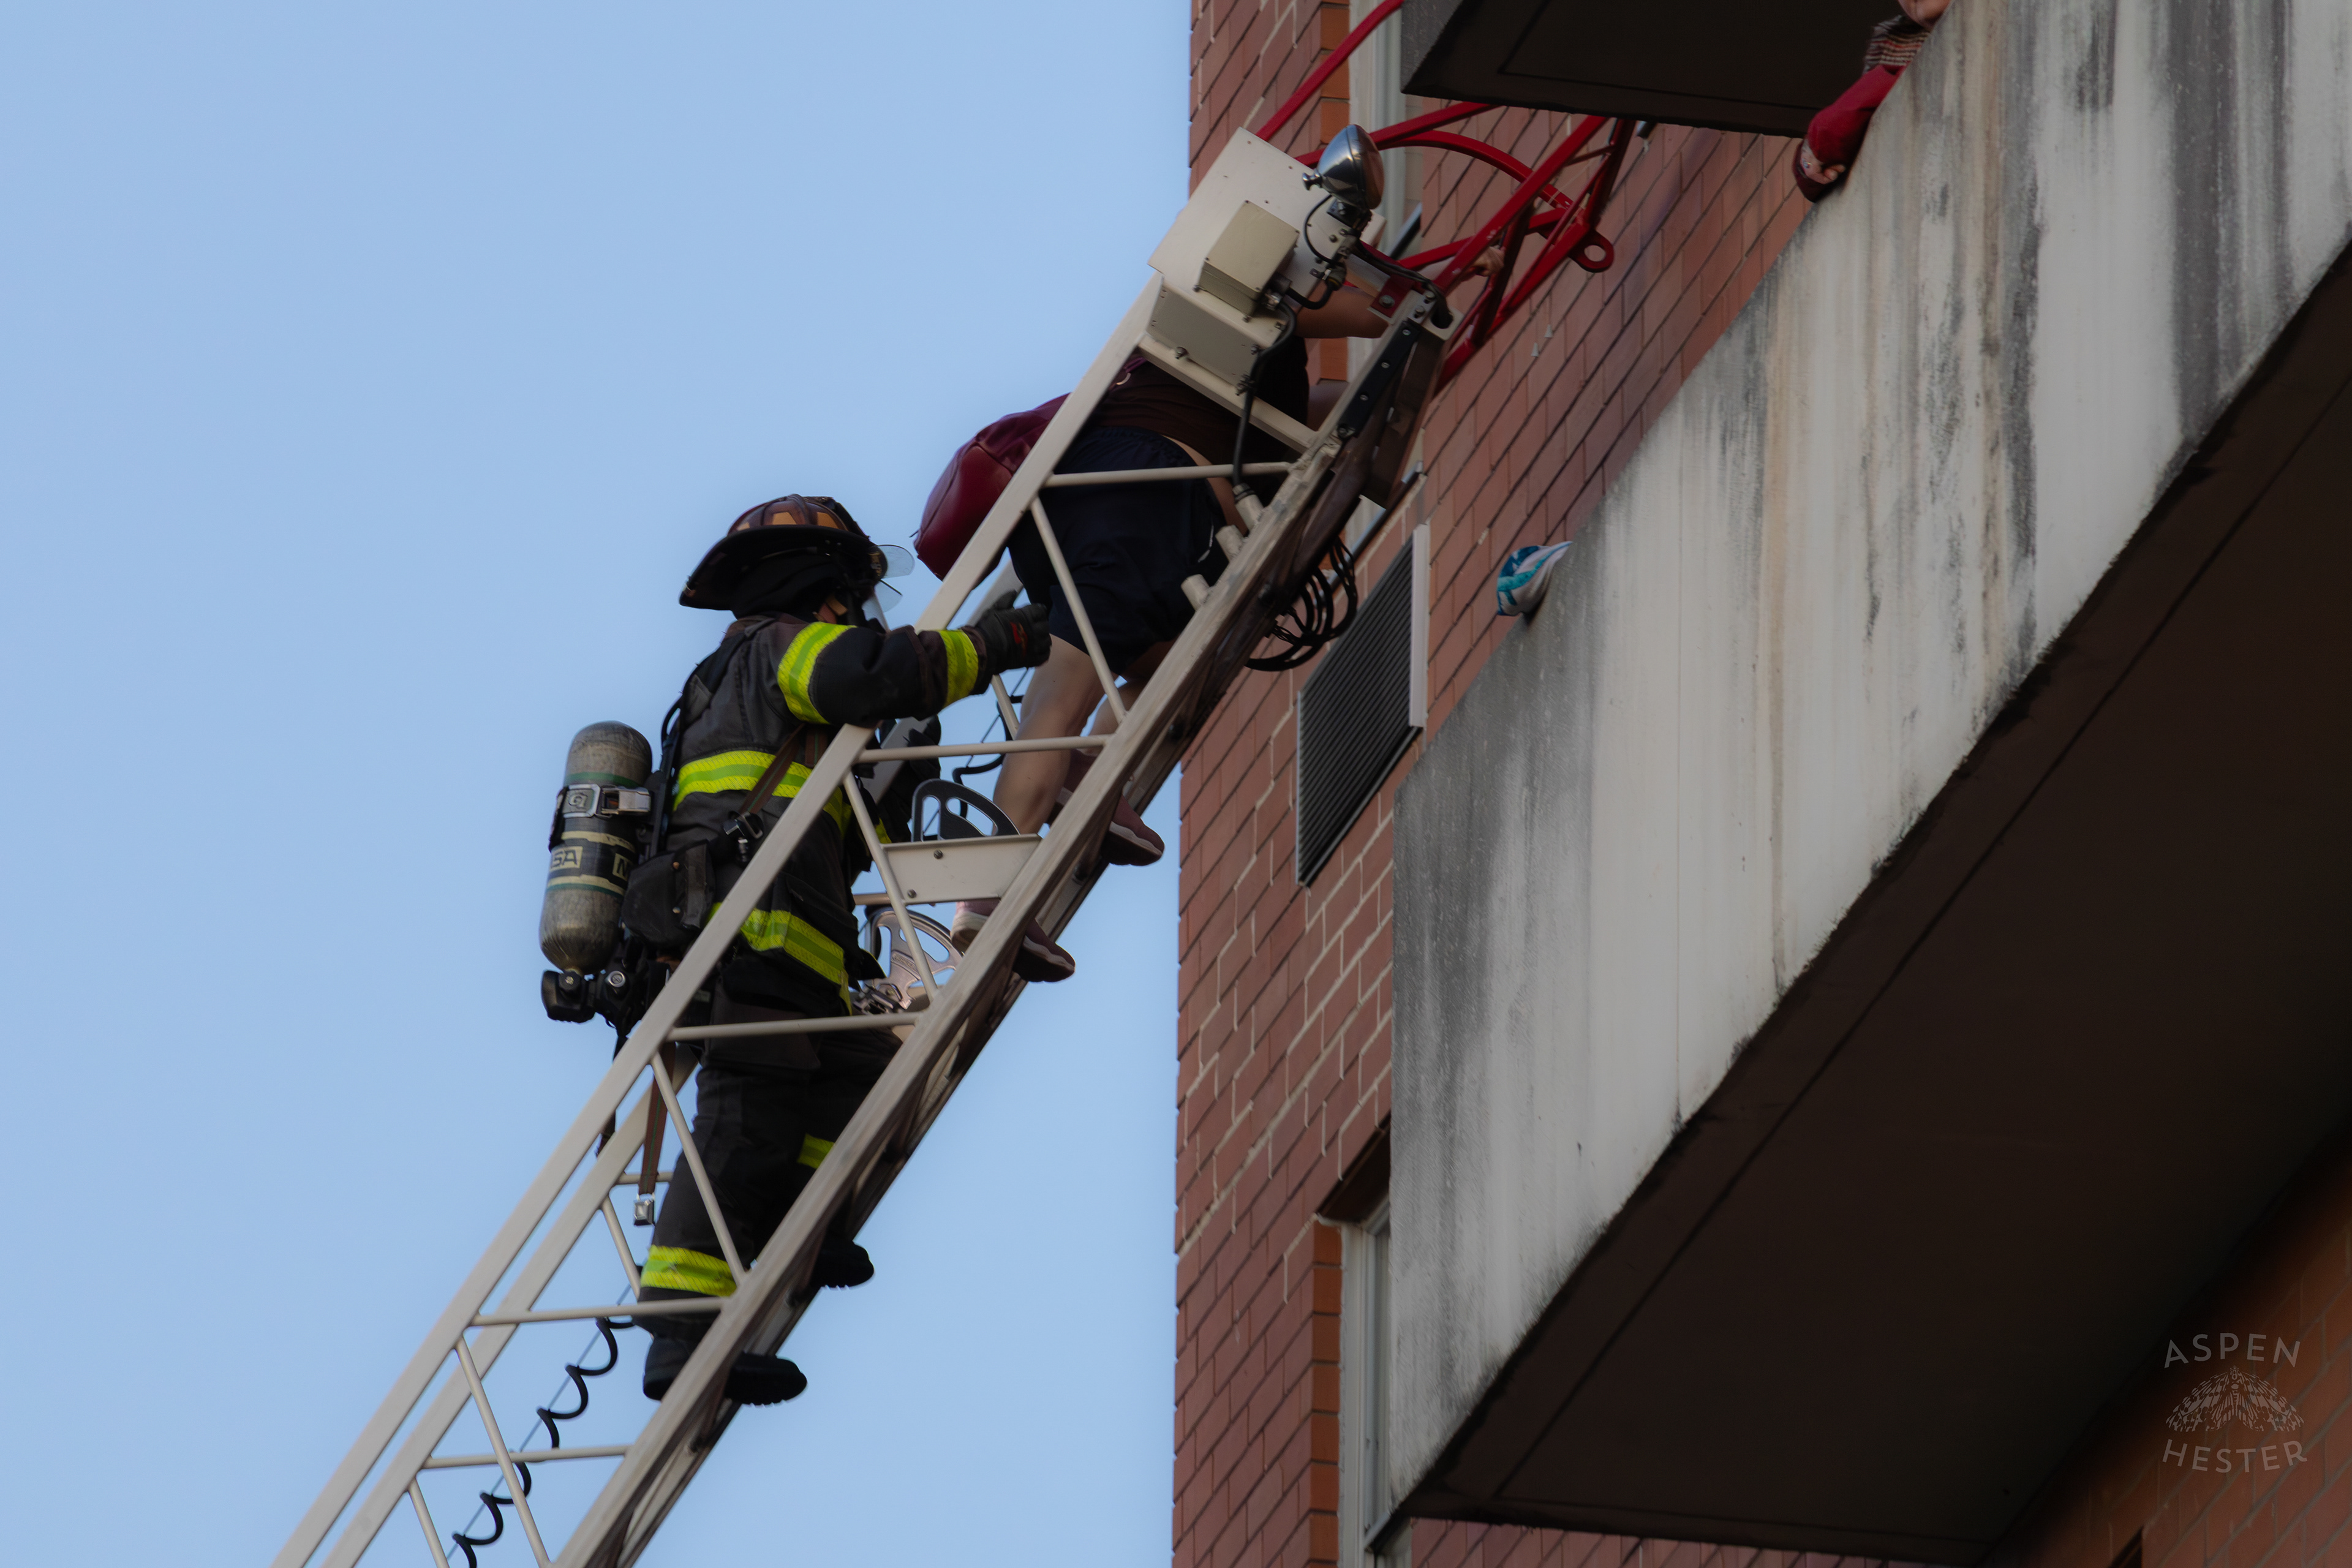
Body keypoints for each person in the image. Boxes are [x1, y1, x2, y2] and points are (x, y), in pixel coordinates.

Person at [636, 494, 1052, 1404]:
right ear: (820, 585)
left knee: (864, 1069)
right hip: (752, 926)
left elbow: (851, 809)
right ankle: (681, 1333)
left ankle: (799, 1221)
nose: (858, 611)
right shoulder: (778, 648)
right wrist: (1001, 646)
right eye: (850, 594)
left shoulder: (737, 674)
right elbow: (870, 675)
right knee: (747, 1117)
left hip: (794, 928)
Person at [952, 281, 1404, 982]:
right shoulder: (1253, 295)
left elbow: (1336, 409)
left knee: (1158, 667)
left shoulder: (1243, 360)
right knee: (1062, 695)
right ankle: (985, 895)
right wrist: (1435, 287)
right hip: (1142, 497)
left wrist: (1372, 364)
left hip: (1107, 504)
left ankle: (1086, 775)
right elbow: (1363, 309)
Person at [1792, 0, 1951, 202]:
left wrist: (1825, 137)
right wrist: (1810, 158)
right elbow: (1817, 175)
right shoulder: (1895, 45)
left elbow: (1836, 127)